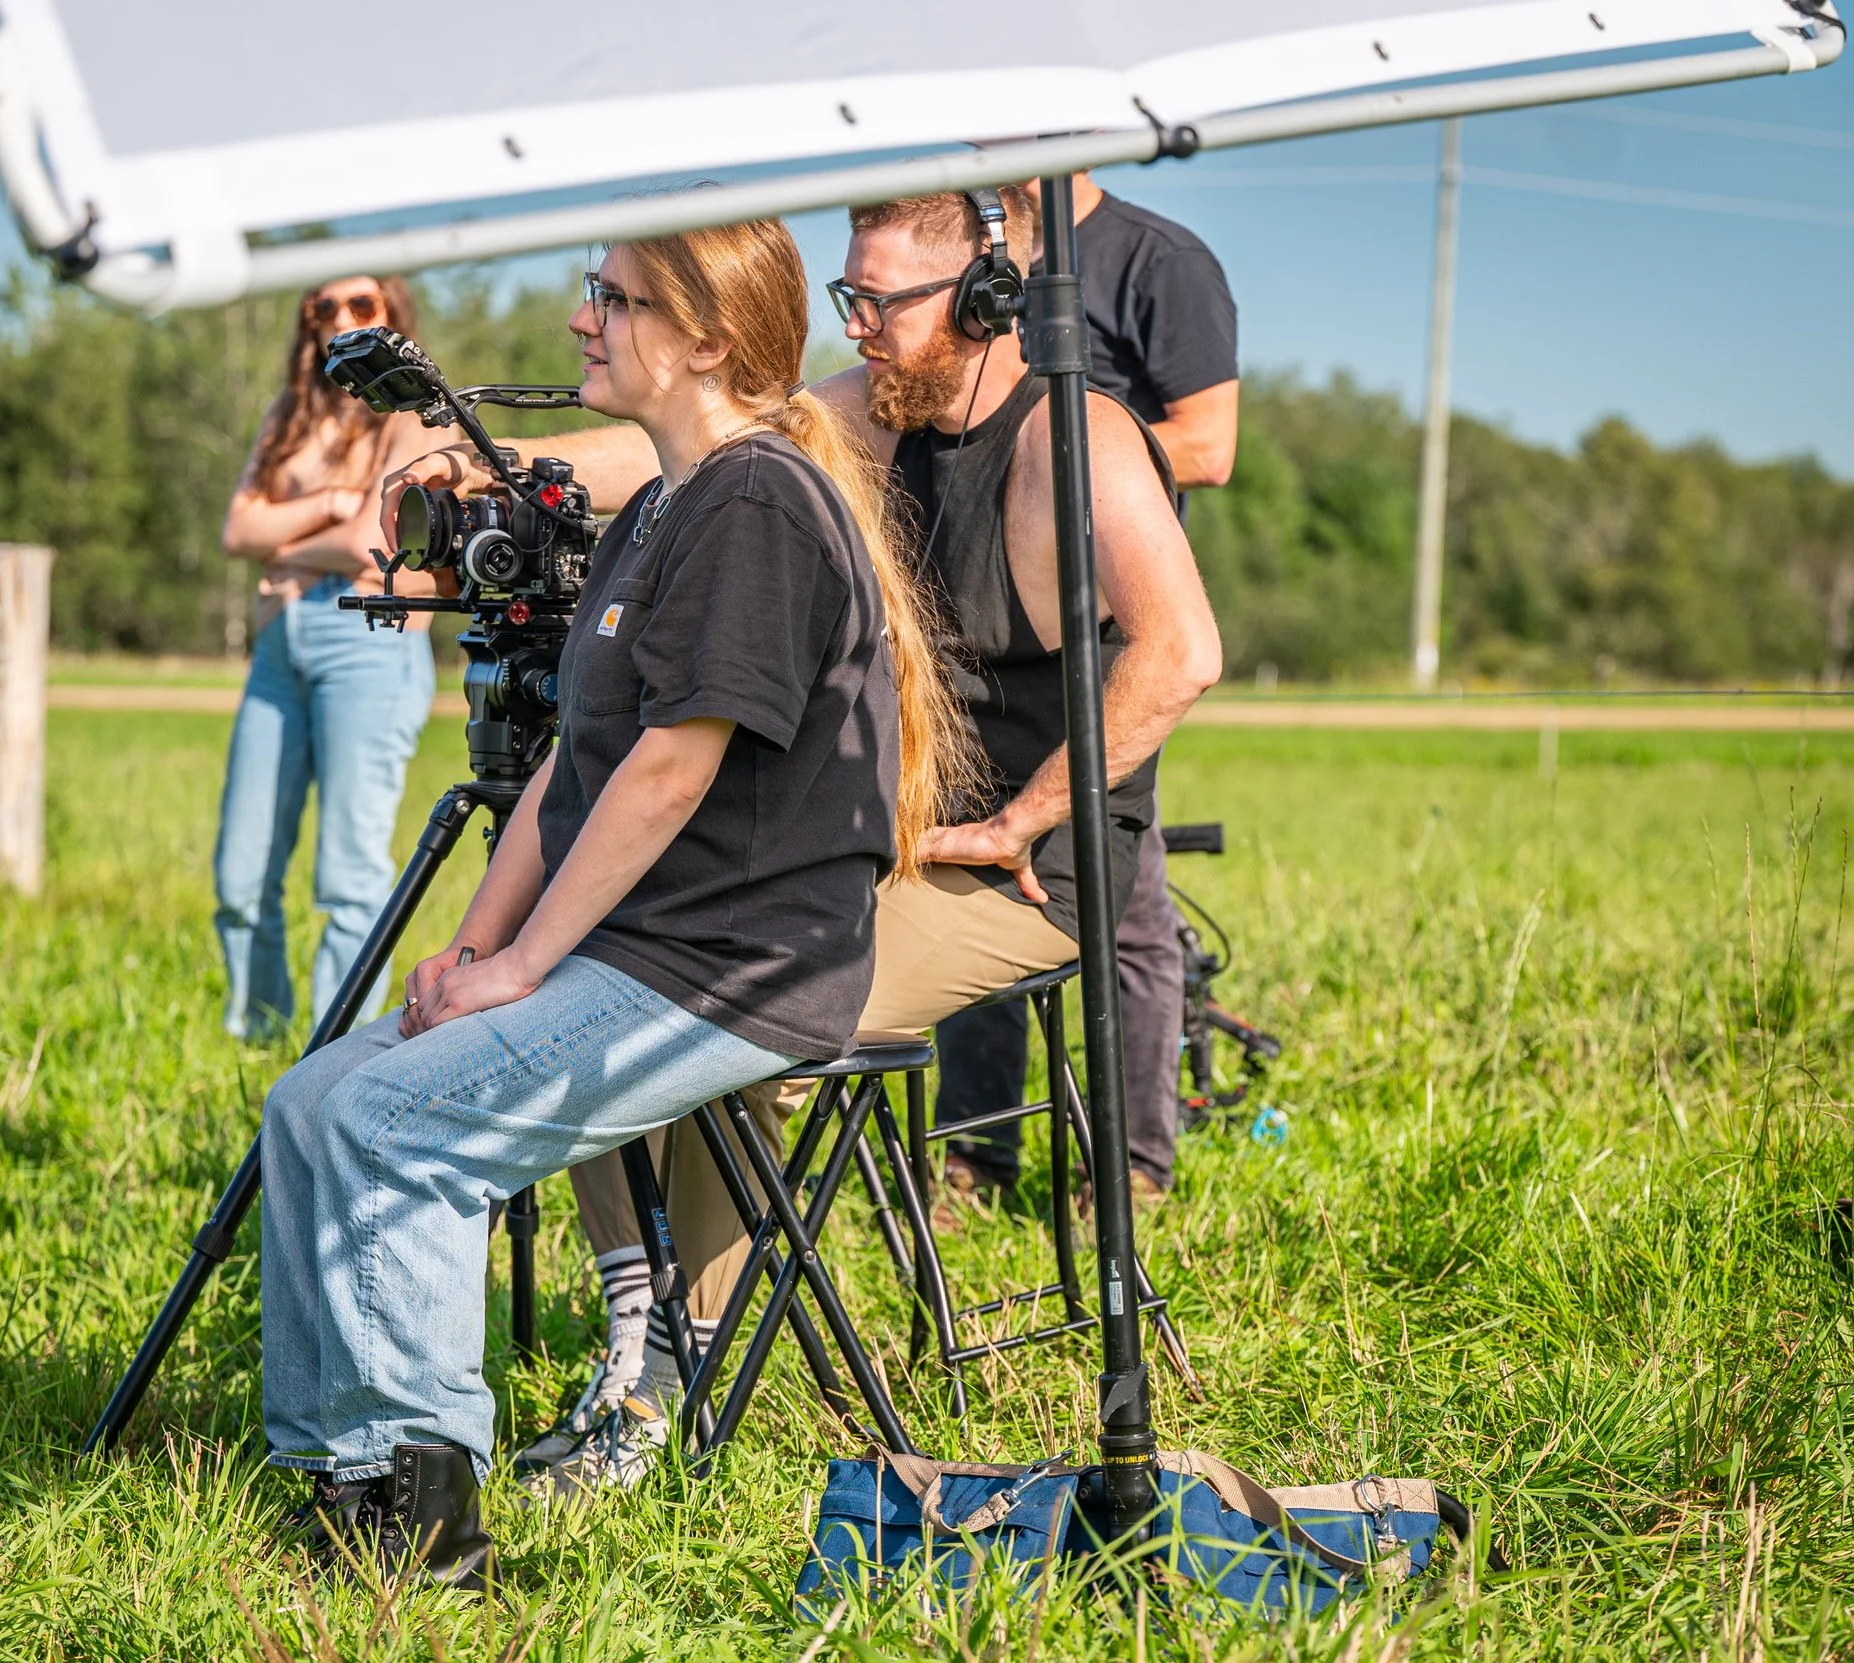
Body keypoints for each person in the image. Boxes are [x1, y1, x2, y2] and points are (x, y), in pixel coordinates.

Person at [394, 186, 1221, 1498]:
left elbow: (1182, 651)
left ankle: (673, 1368)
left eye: (879, 304)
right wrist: (491, 477)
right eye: (848, 298)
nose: (860, 329)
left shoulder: (1075, 437)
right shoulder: (874, 414)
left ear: (978, 303)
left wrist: (1021, 815)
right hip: (882, 846)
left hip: (1023, 873)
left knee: (732, 997)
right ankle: (644, 1321)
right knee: (614, 957)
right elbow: (698, 434)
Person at [253, 216, 969, 1586]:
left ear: (704, 339)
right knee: (310, 1104)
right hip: (644, 947)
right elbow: (568, 771)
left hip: (735, 965)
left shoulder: (758, 500)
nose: (584, 319)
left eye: (614, 296)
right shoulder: (658, 503)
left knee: (399, 1122)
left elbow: (667, 769)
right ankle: (338, 1471)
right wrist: (475, 942)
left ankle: (427, 1516)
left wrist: (523, 968)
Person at [934, 170, 1240, 1209]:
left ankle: (1132, 1167)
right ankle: (977, 1152)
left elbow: (1212, 442)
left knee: (1123, 904)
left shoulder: (1163, 261)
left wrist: (1074, 433)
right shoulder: (959, 230)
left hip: (1109, 634)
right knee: (973, 881)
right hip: (982, 633)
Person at [214, 276, 445, 1042]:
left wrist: (287, 544)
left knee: (349, 877)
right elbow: (235, 532)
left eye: (361, 306)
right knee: (241, 873)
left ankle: (328, 1055)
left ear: (391, 314)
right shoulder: (291, 414)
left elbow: (368, 543)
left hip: (371, 644)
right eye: (323, 309)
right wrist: (330, 507)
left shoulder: (413, 411)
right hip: (281, 643)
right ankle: (259, 1035)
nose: (341, 320)